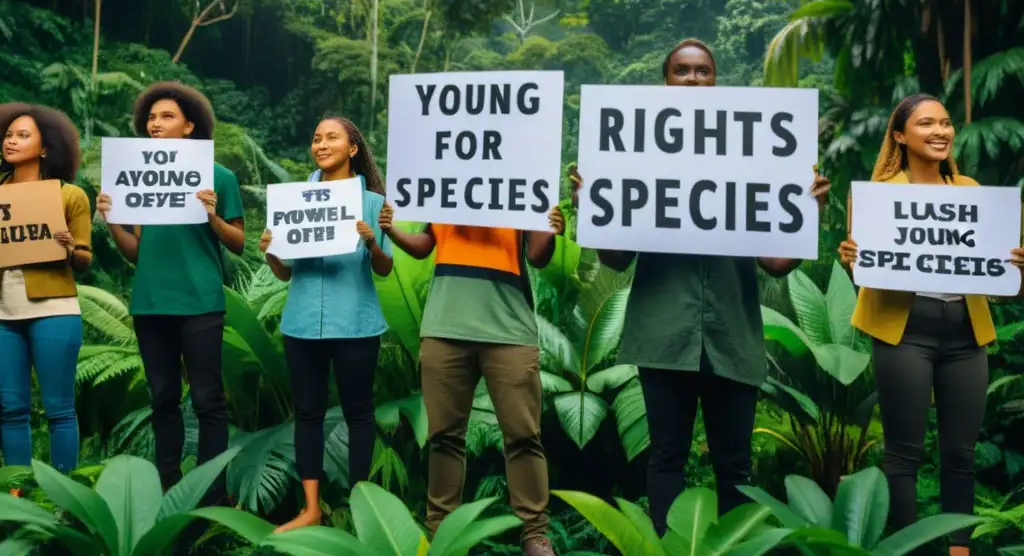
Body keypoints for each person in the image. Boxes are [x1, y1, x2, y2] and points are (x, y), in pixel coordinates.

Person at [570, 39, 830, 534]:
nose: (693, 79)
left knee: (735, 464)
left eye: (703, 71)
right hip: (665, 338)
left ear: (716, 80)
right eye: (682, 71)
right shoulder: (635, 157)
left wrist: (807, 214)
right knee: (665, 456)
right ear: (665, 81)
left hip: (732, 336)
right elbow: (616, 259)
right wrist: (594, 206)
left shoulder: (753, 160)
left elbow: (776, 263)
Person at [838, 93, 1024, 556]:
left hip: (965, 332)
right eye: (926, 124)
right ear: (900, 135)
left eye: (945, 123)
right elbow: (868, 270)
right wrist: (851, 262)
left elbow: (1002, 283)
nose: (941, 132)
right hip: (906, 331)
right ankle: (913, 551)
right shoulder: (878, 197)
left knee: (961, 455)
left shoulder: (972, 191)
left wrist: (1016, 265)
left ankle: (959, 550)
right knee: (904, 454)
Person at [378, 201, 564, 556]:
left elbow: (538, 255)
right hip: (445, 325)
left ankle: (534, 533)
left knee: (524, 435)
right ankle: (441, 532)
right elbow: (426, 244)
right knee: (444, 437)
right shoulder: (450, 177)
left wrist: (552, 227)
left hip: (509, 328)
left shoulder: (524, 182)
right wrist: (391, 230)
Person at [96, 82, 244, 498]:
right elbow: (137, 253)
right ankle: (168, 486)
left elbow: (237, 241)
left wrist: (212, 216)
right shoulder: (140, 179)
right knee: (162, 398)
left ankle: (211, 490)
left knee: (207, 399)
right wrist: (111, 220)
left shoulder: (220, 176)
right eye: (151, 117)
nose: (155, 124)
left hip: (200, 302)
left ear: (190, 125)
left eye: (167, 116)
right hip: (151, 303)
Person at [259, 116, 392, 533]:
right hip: (302, 324)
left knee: (359, 414)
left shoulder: (372, 202)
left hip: (356, 323)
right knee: (308, 415)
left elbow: (385, 268)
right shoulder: (295, 198)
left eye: (331, 137)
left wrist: (371, 239)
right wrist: (270, 252)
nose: (321, 144)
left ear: (352, 148)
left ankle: (363, 504)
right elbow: (284, 273)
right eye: (316, 137)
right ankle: (312, 508)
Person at [0, 104, 91, 483]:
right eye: (9, 134)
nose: (11, 141)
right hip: (4, 314)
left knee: (59, 409)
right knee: (10, 409)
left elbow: (84, 258)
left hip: (54, 308)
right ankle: (18, 493)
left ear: (45, 148)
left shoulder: (69, 196)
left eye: (23, 136)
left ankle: (63, 497)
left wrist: (69, 249)